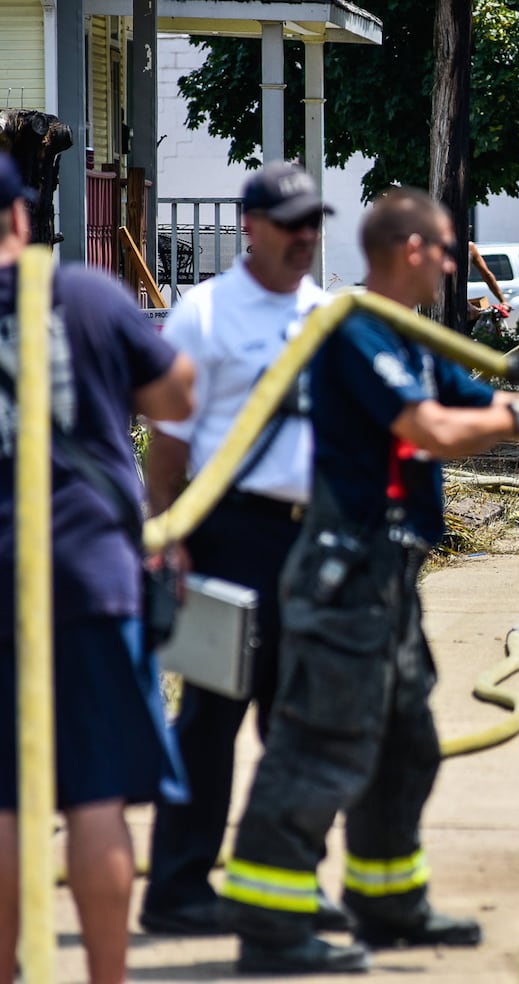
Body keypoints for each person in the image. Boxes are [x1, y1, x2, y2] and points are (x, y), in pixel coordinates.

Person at [218, 188, 519, 974]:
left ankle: (388, 903)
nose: (452, 263)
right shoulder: (355, 330)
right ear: (411, 251)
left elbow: (492, 402)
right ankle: (272, 924)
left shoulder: (416, 338)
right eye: (445, 250)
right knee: (322, 742)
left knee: (408, 743)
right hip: (347, 568)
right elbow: (431, 431)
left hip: (390, 573)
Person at [0, 152, 195, 984]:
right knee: (93, 799)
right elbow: (178, 395)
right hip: (89, 570)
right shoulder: (82, 294)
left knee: (5, 803)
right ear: (22, 219)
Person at [141, 161, 348, 937]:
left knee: (300, 724)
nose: (304, 237)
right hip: (227, 533)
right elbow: (169, 445)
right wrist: (170, 538)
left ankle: (285, 881)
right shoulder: (205, 313)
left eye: (312, 222)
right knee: (209, 719)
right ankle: (178, 888)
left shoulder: (325, 314)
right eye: (289, 223)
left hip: (309, 537)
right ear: (249, 226)